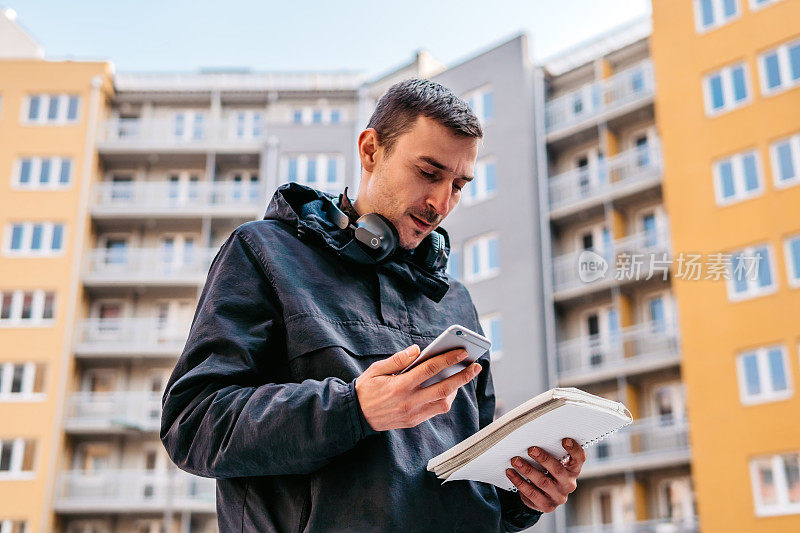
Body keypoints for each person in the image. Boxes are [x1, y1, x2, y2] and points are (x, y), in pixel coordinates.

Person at [160, 78, 584, 532]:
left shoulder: (454, 300)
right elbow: (194, 423)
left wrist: (524, 496)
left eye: (458, 185)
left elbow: (472, 478)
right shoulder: (263, 252)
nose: (442, 203)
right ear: (370, 151)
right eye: (429, 172)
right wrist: (353, 409)